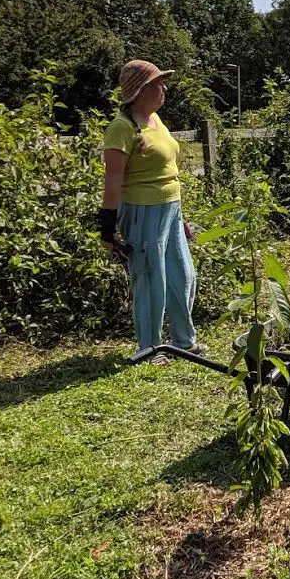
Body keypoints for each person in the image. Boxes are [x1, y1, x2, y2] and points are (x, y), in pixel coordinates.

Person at [97, 60, 203, 364]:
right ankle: (149, 350)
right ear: (141, 90)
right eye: (158, 84)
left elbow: (166, 167)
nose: (164, 89)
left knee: (183, 275)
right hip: (142, 213)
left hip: (170, 210)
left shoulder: (155, 121)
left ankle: (184, 341)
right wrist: (107, 227)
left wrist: (179, 218)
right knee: (150, 281)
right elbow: (113, 180)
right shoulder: (122, 128)